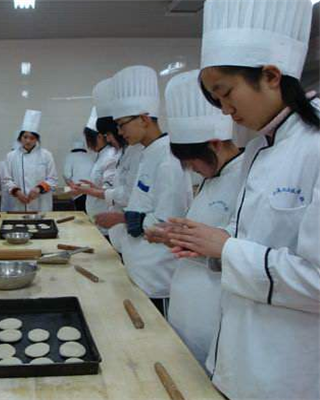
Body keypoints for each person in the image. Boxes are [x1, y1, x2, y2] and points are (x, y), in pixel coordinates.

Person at [164, 0, 319, 398]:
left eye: (225, 93)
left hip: (289, 368)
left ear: (270, 75)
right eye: (216, 101)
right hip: (238, 354)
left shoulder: (314, 145)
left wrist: (226, 248)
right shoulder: (258, 149)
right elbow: (251, 236)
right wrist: (207, 243)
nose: (226, 111)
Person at [144, 69, 244, 367]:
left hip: (213, 314)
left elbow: (235, 248)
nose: (190, 170)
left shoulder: (245, 178)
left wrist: (191, 241)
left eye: (192, 162)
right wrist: (173, 235)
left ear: (213, 144)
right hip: (187, 305)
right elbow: (204, 238)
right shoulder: (213, 179)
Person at [96, 66, 193, 316]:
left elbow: (166, 222)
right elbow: (142, 204)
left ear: (144, 118)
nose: (119, 132)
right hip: (139, 266)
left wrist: (120, 218)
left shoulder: (168, 158)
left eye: (122, 124)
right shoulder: (147, 153)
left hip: (157, 274)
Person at [72, 99, 118, 235]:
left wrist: (87, 190)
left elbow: (110, 192)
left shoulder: (111, 156)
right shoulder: (101, 155)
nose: (87, 143)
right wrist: (89, 187)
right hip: (98, 220)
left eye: (89, 138)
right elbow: (102, 186)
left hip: (107, 223)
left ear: (99, 136)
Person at [2, 109, 58, 212]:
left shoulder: (46, 155)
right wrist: (17, 192)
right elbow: (6, 180)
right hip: (18, 204)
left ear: (37, 139)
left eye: (32, 138)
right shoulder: (11, 156)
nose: (28, 141)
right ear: (20, 138)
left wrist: (39, 189)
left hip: (41, 204)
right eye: (25, 137)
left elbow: (53, 179)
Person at [63, 137, 93, 212]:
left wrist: (71, 186)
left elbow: (66, 175)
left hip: (78, 191)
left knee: (81, 213)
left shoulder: (70, 156)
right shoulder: (90, 156)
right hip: (91, 191)